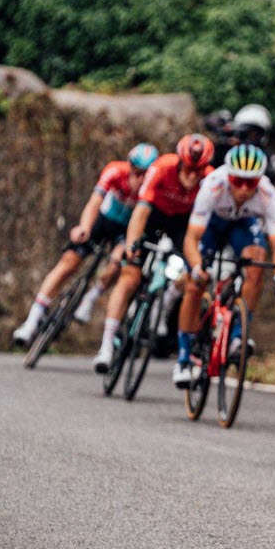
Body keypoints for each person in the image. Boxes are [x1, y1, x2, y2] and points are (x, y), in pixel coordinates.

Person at [11, 143, 159, 347]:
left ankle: (92, 296)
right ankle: (32, 320)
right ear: (129, 166)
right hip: (103, 221)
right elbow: (94, 202)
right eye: (137, 172)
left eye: (145, 174)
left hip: (126, 231)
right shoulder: (115, 171)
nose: (140, 178)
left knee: (117, 262)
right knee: (69, 262)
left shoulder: (153, 187)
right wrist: (84, 228)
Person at [93, 134, 215, 373]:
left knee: (193, 271)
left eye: (198, 170)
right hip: (153, 215)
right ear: (180, 162)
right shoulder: (161, 168)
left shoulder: (210, 179)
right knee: (129, 276)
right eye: (188, 169)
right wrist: (130, 246)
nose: (192, 176)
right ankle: (106, 345)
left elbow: (203, 228)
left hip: (183, 223)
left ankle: (166, 300)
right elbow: (140, 212)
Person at [173, 144, 275, 386]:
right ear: (228, 176)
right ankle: (184, 358)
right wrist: (196, 268)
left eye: (252, 182)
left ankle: (238, 334)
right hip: (213, 226)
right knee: (195, 286)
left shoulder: (269, 196)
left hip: (243, 225)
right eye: (238, 180)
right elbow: (191, 239)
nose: (244, 188)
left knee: (257, 263)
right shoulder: (212, 186)